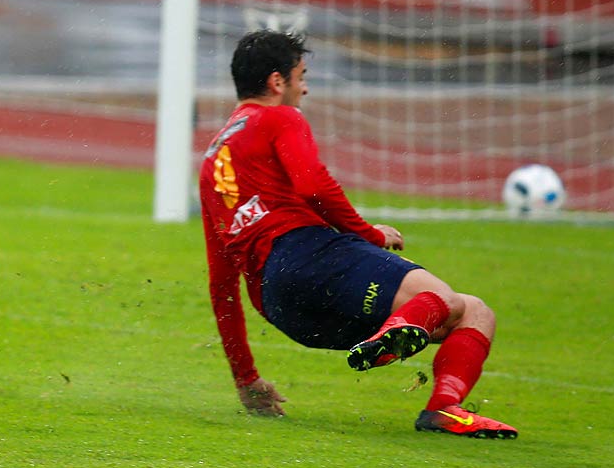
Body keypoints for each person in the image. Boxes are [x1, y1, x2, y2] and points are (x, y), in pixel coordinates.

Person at [200, 29, 517, 439]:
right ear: (278, 82)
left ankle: (445, 408)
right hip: (306, 253)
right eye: (302, 75)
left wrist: (246, 379)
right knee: (441, 299)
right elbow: (312, 184)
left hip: (282, 309)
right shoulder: (279, 116)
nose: (306, 87)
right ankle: (395, 338)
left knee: (474, 313)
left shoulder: (210, 163)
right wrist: (368, 234)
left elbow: (221, 284)